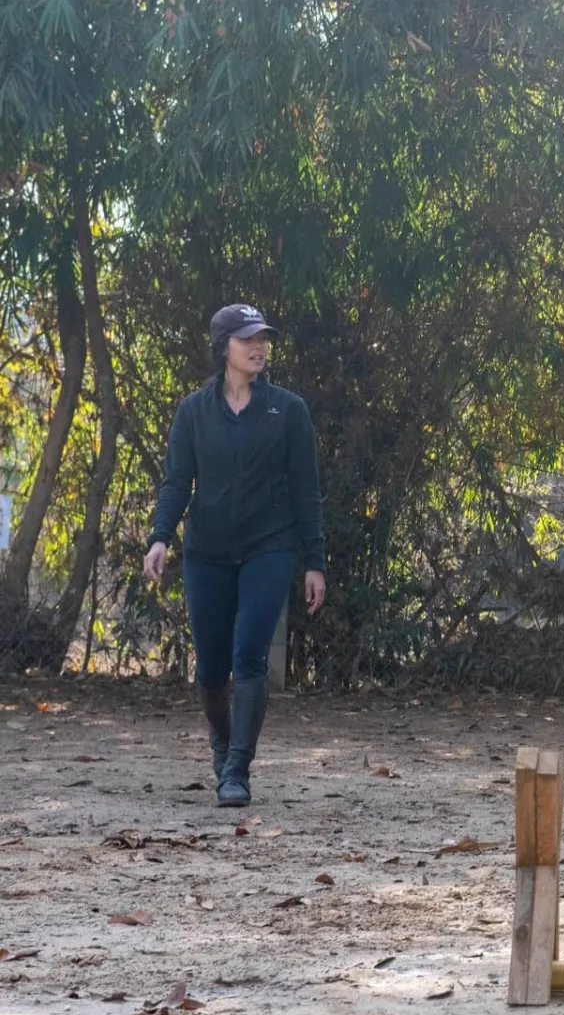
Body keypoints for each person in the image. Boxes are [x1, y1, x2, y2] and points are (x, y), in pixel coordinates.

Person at [144, 304, 327, 808]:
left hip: (270, 547)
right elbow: (178, 482)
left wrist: (315, 561)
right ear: (223, 346)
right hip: (206, 553)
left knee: (250, 654)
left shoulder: (289, 410)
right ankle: (222, 746)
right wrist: (160, 537)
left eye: (264, 337)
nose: (259, 346)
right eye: (248, 338)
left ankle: (237, 769)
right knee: (210, 668)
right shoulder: (193, 412)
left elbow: (306, 492)